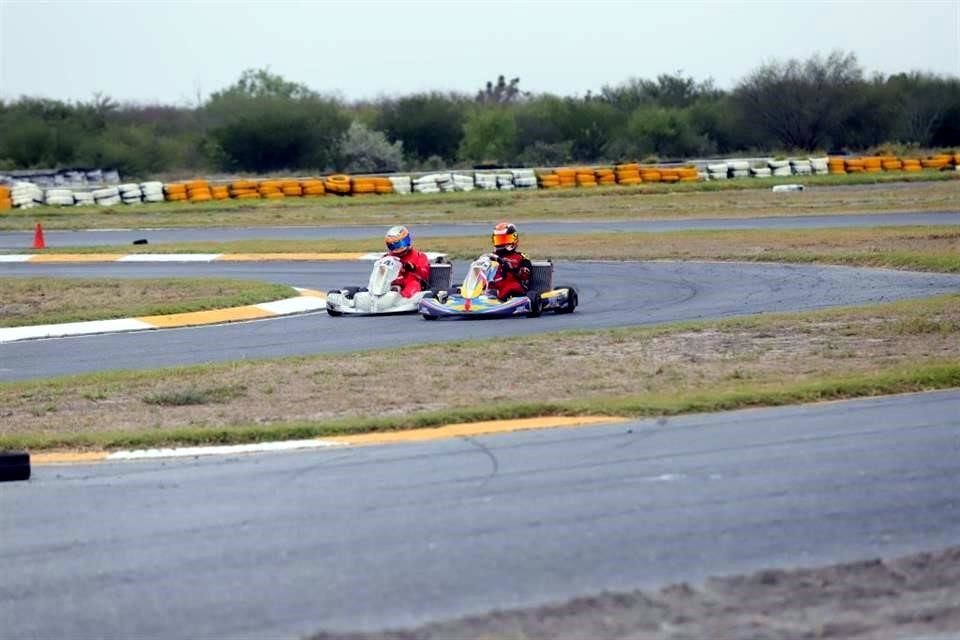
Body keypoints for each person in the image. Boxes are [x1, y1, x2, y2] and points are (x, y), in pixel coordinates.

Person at [488, 221, 532, 300]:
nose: (501, 243)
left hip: (512, 287)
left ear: (514, 240)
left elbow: (526, 274)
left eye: (504, 240)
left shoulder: (521, 257)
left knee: (512, 287)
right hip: (492, 286)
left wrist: (511, 267)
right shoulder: (490, 256)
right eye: (498, 240)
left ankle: (500, 299)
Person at [384, 225, 431, 298]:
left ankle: (402, 299)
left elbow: (424, 274)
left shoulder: (420, 256)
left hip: (411, 285)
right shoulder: (386, 258)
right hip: (391, 284)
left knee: (414, 284)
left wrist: (413, 268)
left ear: (406, 241)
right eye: (392, 246)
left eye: (398, 244)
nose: (396, 248)